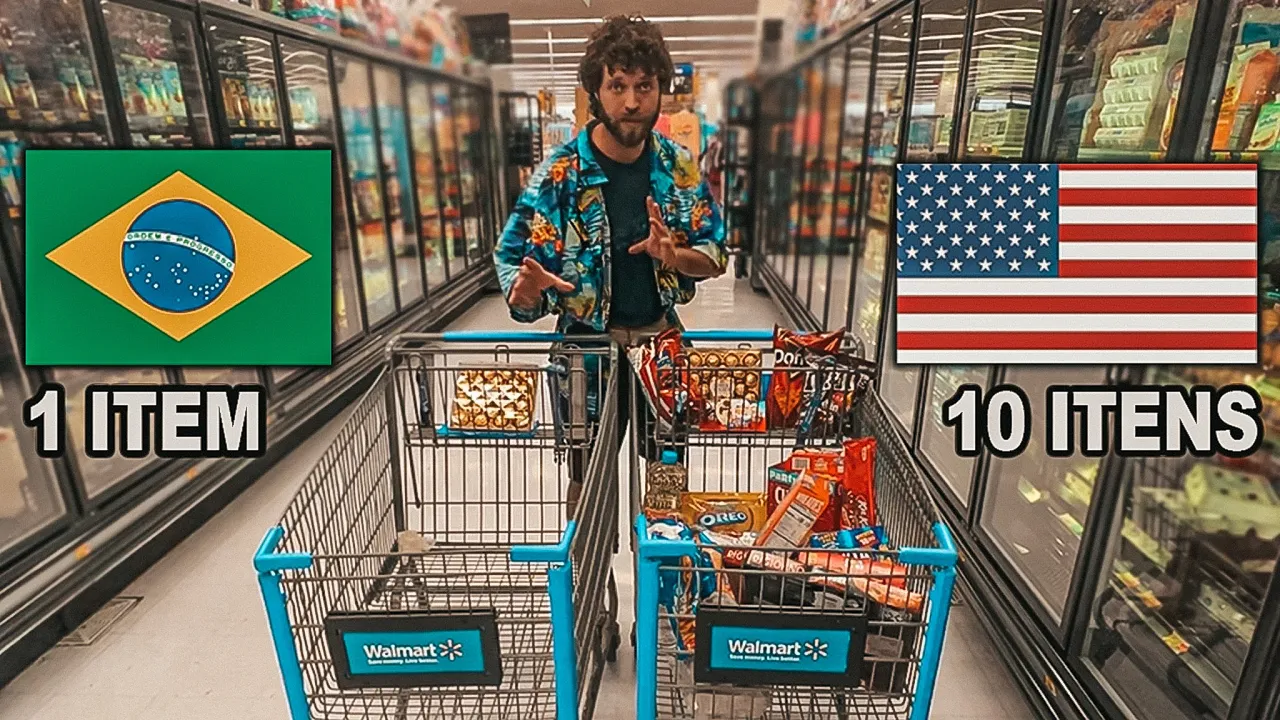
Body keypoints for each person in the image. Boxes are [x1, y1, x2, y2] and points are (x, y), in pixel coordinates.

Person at [493, 15, 728, 515]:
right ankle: (588, 562)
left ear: (660, 89)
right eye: (617, 85)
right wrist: (526, 291)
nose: (632, 102)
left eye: (644, 86)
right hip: (585, 356)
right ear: (596, 92)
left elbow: (714, 253)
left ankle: (665, 563)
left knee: (667, 484)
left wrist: (674, 255)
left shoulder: (678, 167)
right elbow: (511, 261)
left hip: (660, 350)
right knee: (586, 486)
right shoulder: (561, 174)